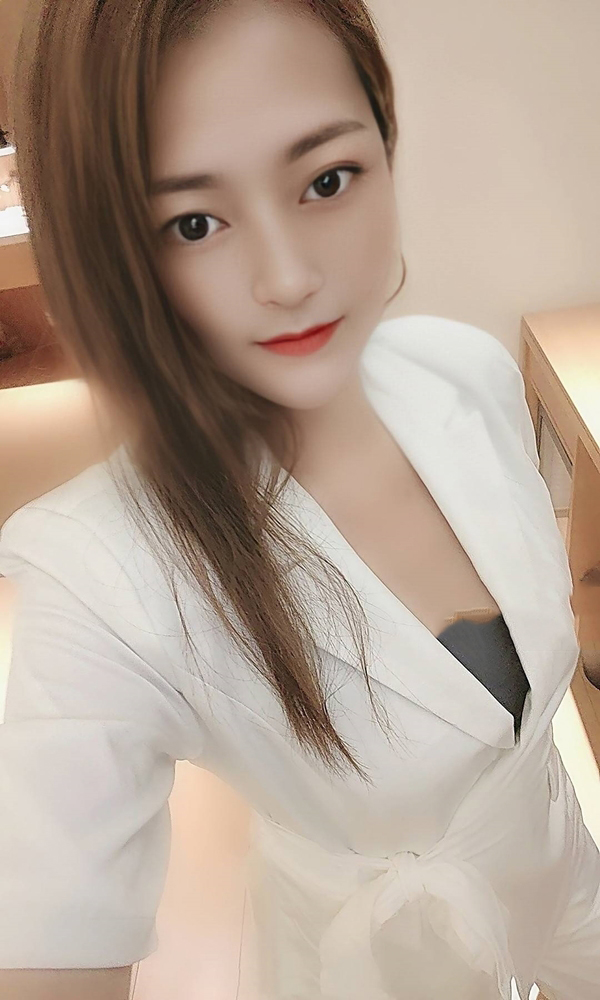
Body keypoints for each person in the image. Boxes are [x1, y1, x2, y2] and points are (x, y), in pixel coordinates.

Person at [0, 1, 598, 998]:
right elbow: (47, 933)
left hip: (564, 876)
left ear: (384, 140)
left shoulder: (463, 370)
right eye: (194, 223)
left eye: (326, 179)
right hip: (377, 966)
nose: (286, 276)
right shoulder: (99, 574)